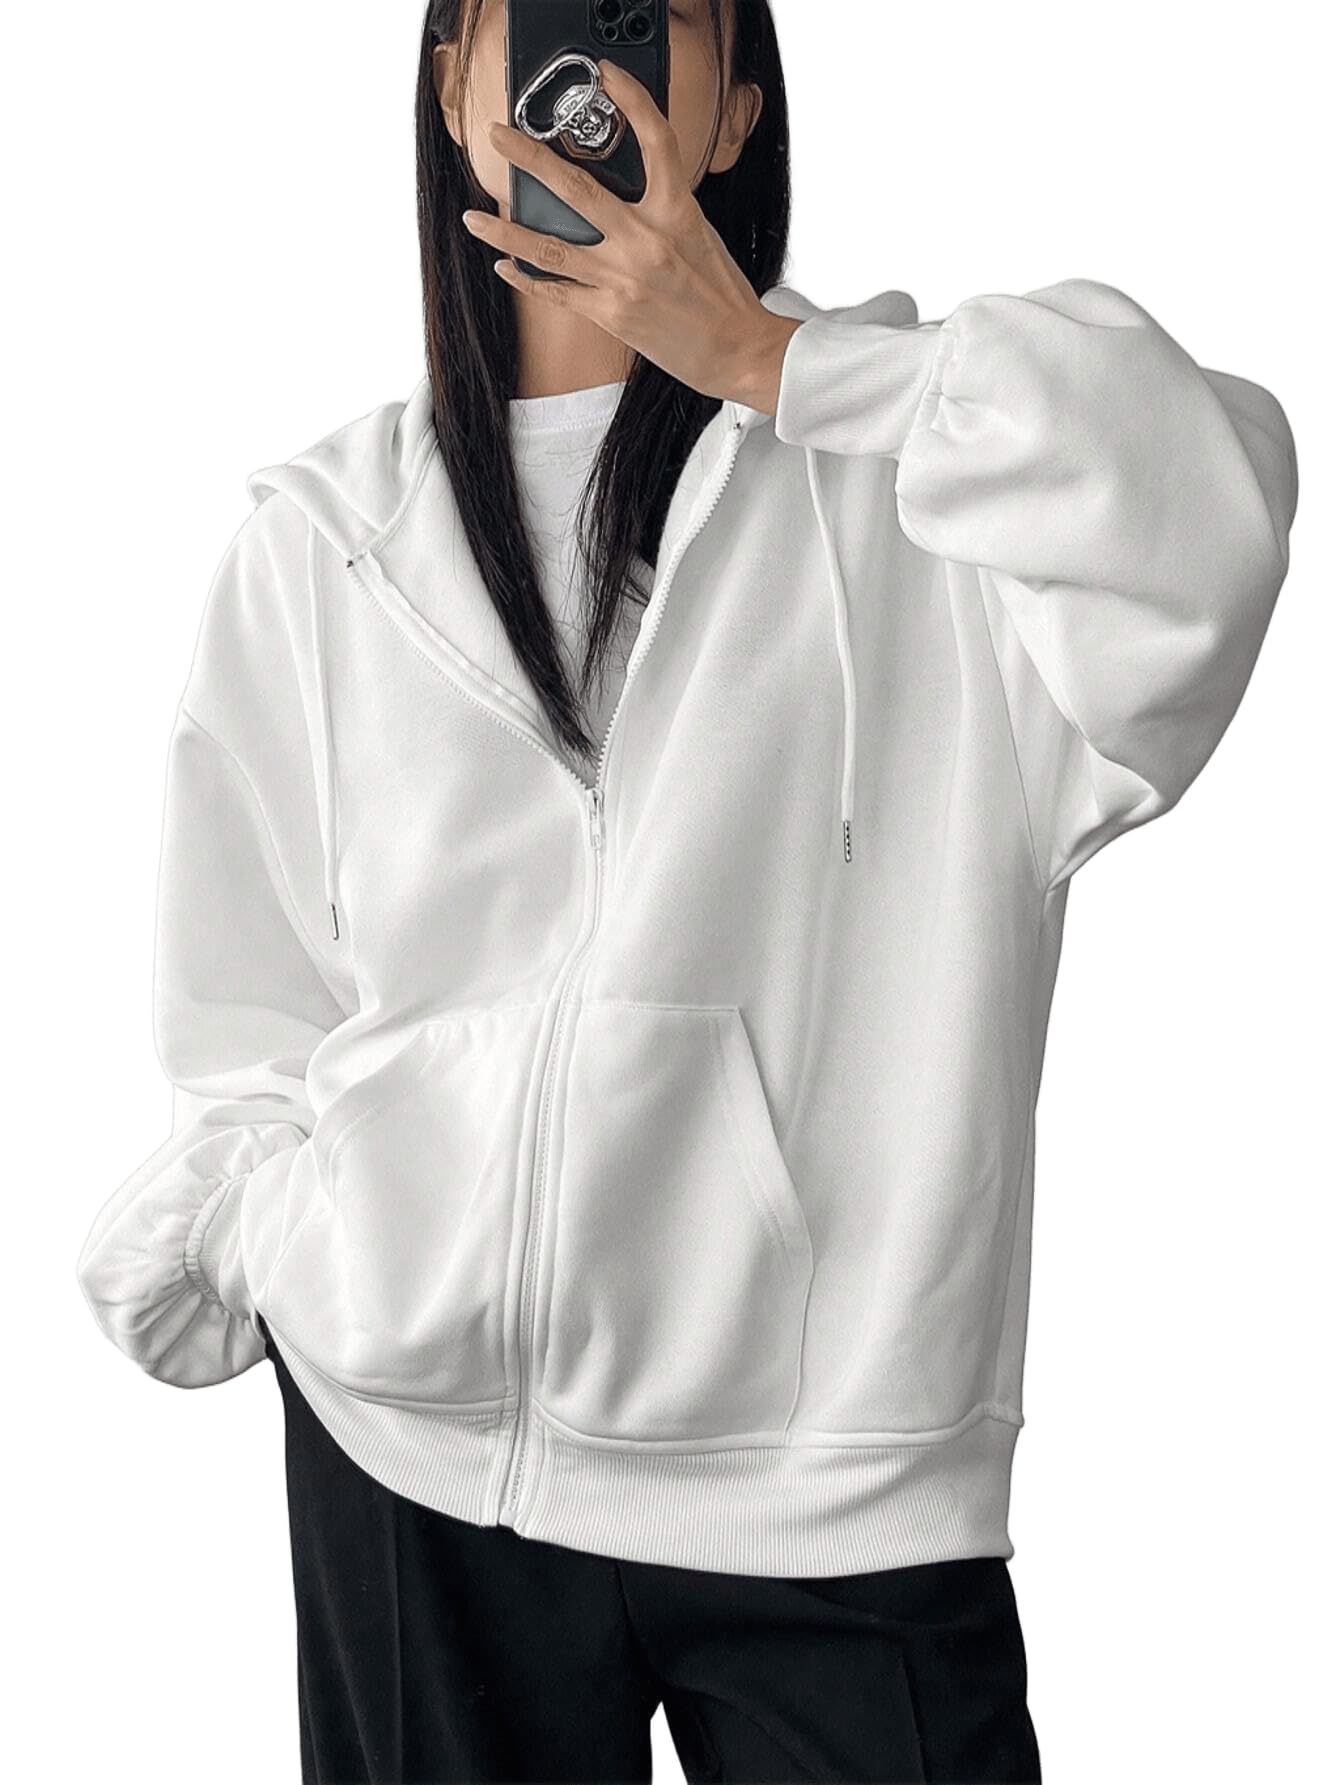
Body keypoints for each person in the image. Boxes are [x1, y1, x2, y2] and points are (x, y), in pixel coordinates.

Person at [74, 1, 1299, 1780]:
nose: (593, 64)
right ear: (455, 81)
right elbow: (246, 1008)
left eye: (652, 17)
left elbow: (1210, 511)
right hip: (416, 1460)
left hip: (838, 1482)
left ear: (733, 112)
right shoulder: (323, 539)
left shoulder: (931, 496)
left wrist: (780, 366)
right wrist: (294, 1246)